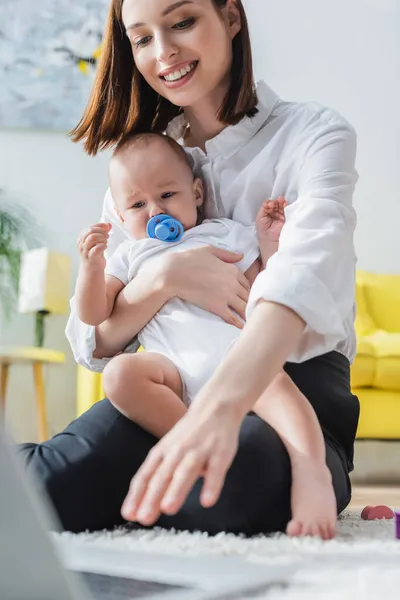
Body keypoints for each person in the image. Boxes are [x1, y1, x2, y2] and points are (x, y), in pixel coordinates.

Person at [18, 0, 360, 538]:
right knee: (34, 494)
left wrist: (219, 413)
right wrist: (165, 279)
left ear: (230, 16)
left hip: (288, 387)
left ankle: (294, 467)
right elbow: (94, 340)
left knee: (229, 488)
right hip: (169, 387)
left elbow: (299, 281)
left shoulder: (313, 134)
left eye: (182, 22)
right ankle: (163, 467)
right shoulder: (143, 168)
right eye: (142, 38)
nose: (165, 52)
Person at [75, 131, 337, 539]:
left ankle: (311, 472)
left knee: (279, 388)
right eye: (138, 204)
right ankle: (189, 446)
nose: (155, 211)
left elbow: (263, 291)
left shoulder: (225, 233)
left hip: (236, 359)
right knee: (121, 375)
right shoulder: (129, 255)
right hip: (171, 371)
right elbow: (95, 315)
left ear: (196, 192)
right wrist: (91, 270)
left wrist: (269, 245)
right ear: (122, 218)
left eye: (167, 195)